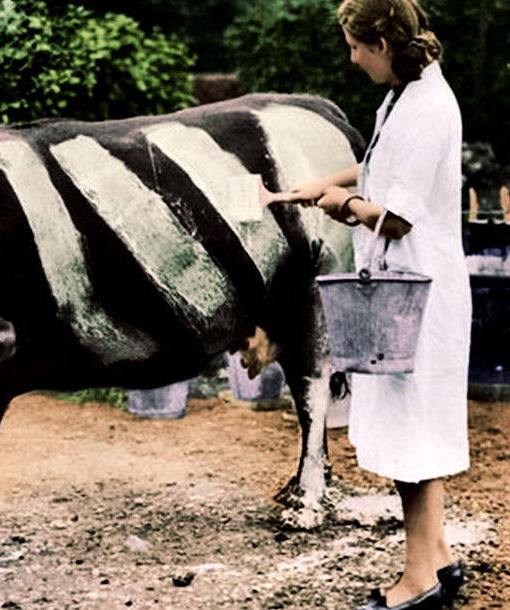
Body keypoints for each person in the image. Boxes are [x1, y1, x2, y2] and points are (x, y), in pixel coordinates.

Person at [288, 1, 471, 609]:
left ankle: (417, 580)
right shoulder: (404, 96)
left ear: (385, 42)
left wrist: (339, 204)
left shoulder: (426, 108)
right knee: (407, 426)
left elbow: (394, 218)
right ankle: (437, 557)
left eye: (357, 45)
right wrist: (325, 181)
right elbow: (380, 166)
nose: (352, 56)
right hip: (404, 291)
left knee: (412, 432)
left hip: (415, 292)